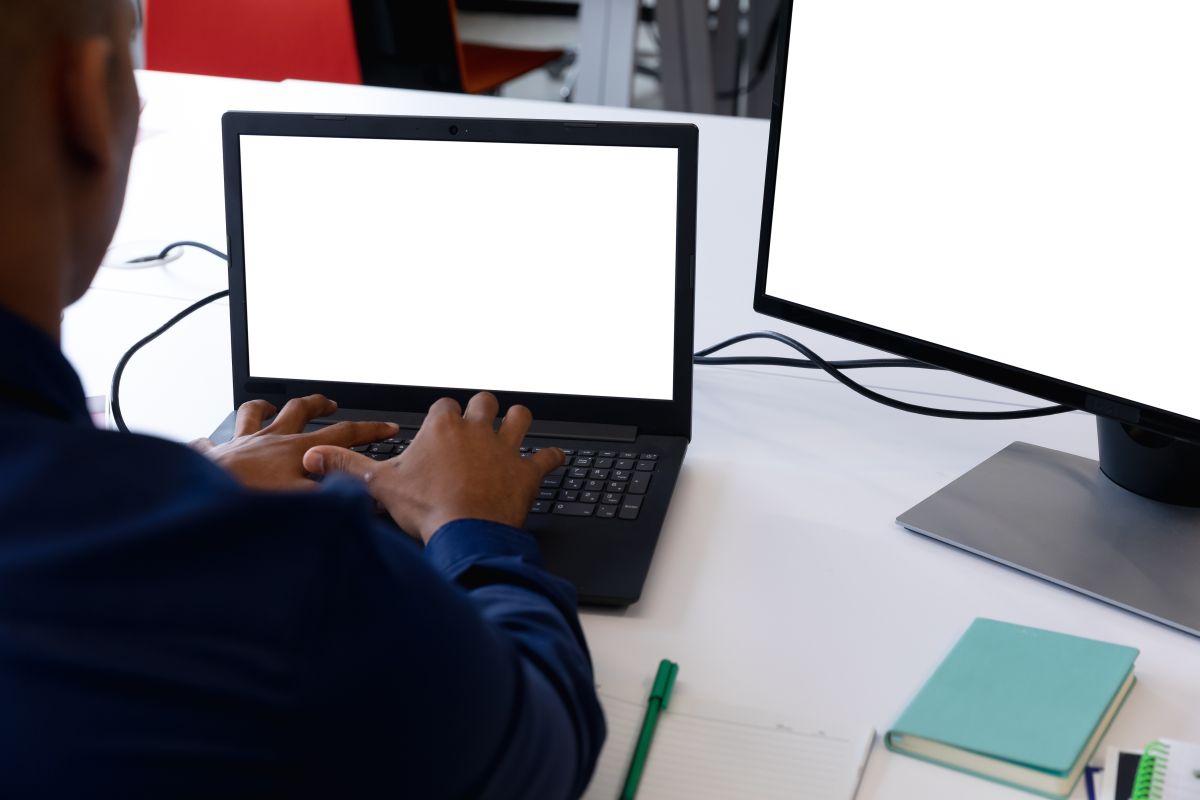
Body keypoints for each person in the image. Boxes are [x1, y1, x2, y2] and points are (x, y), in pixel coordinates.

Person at [0, 1, 605, 797]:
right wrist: (478, 529)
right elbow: (544, 749)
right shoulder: (292, 589)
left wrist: (185, 488)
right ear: (86, 100)